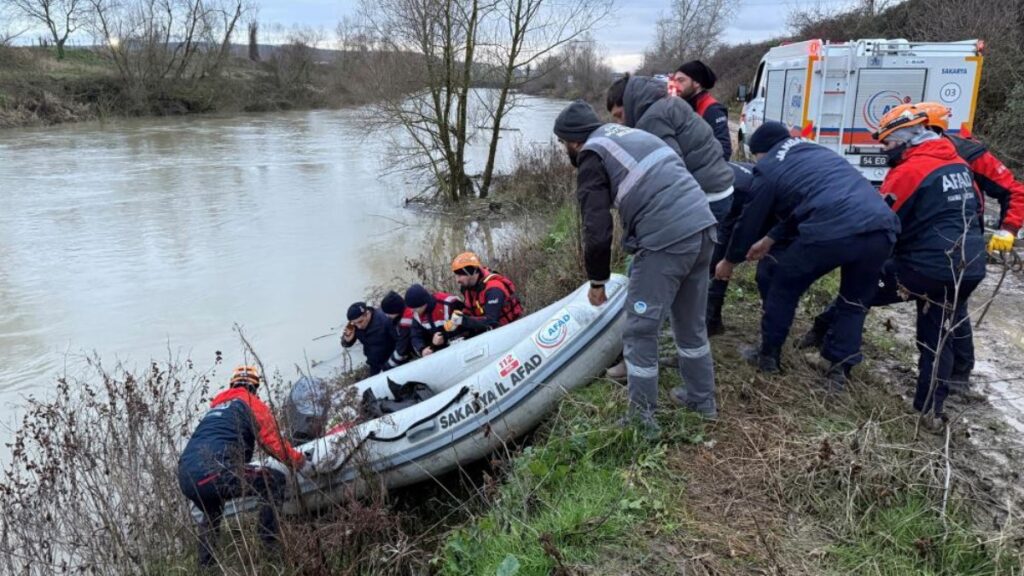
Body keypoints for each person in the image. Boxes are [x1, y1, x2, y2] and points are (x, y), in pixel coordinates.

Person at [803, 106, 986, 430]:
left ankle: (835, 365)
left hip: (924, 267)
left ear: (905, 140)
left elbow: (879, 218)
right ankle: (930, 409)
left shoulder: (911, 171)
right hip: (967, 267)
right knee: (937, 338)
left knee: (856, 293)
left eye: (887, 144)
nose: (884, 150)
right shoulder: (958, 164)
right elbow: (978, 211)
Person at [554, 99, 719, 433]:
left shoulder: (591, 155)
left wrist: (597, 281)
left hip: (666, 240)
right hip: (703, 227)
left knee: (640, 330)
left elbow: (596, 228)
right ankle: (702, 402)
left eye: (563, 144)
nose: (566, 151)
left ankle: (641, 422)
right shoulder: (630, 134)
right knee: (690, 324)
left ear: (573, 142)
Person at [714, 121, 900, 390]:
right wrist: (771, 238)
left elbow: (749, 220)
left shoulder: (769, 167)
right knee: (854, 301)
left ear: (762, 151)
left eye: (756, 157)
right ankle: (839, 371)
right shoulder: (815, 151)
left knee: (782, 285)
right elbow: (811, 200)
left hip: (831, 229)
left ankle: (768, 357)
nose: (756, 162)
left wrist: (729, 261)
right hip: (881, 227)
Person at [177, 365, 311, 568]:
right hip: (212, 471)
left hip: (186, 475)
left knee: (212, 512)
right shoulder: (250, 402)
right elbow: (272, 443)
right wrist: (299, 461)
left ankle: (206, 568)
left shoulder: (215, 410)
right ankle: (270, 546)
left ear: (232, 385)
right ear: (254, 388)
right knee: (273, 480)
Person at [915, 102, 1023, 248]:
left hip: (964, 242)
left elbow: (1013, 190)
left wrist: (1008, 229)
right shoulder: (900, 153)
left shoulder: (969, 153)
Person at [706, 161, 756, 335]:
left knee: (716, 264)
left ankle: (710, 322)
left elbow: (729, 228)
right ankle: (712, 320)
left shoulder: (732, 188)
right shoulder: (709, 168)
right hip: (741, 194)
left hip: (748, 203)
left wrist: (728, 260)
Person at [446, 251, 524, 339]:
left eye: (460, 275)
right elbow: (470, 314)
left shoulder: (494, 289)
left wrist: (463, 320)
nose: (457, 280)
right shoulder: (468, 289)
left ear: (471, 272)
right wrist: (452, 327)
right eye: (456, 276)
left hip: (510, 332)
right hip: (490, 335)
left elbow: (491, 322)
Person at [672, 60, 732, 160]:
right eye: (675, 81)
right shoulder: (680, 106)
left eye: (681, 80)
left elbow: (724, 151)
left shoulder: (713, 110)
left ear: (696, 82)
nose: (676, 85)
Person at [404, 283, 464, 357]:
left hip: (461, 346)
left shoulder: (448, 303)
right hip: (441, 353)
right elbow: (415, 335)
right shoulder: (417, 315)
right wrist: (422, 349)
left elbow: (464, 323)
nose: (412, 311)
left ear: (423, 303)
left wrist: (444, 337)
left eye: (415, 308)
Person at [341, 301, 397, 375]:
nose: (358, 326)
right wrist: (347, 339)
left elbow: (401, 342)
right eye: (354, 323)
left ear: (367, 314)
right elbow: (345, 344)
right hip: (374, 365)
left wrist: (392, 363)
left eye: (360, 322)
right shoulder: (353, 325)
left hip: (392, 362)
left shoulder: (384, 319)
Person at [380, 290, 415, 369]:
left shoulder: (406, 322)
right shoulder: (401, 316)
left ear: (395, 311)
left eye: (388, 313)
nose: (387, 315)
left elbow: (401, 349)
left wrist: (386, 368)